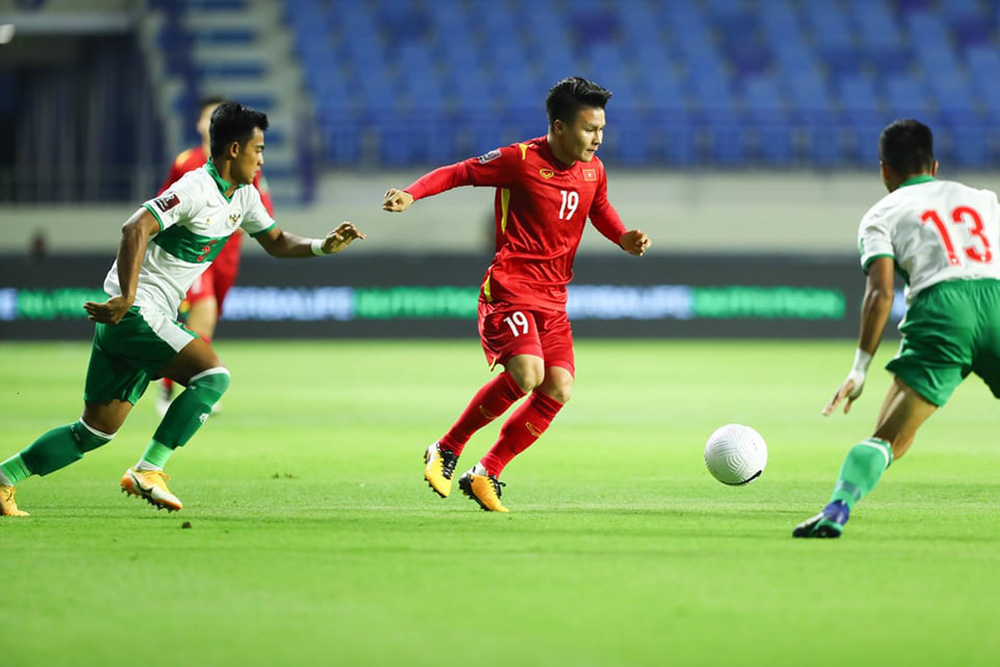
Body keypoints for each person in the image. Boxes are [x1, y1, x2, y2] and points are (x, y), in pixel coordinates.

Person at [0, 102, 365, 516]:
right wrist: (126, 296)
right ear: (233, 150)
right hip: (136, 310)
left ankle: (4, 478)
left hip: (134, 317)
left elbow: (277, 240)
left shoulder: (243, 196)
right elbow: (135, 226)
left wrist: (323, 245)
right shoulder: (195, 188)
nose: (262, 160)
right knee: (213, 377)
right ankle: (148, 469)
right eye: (257, 149)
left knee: (93, 432)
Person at [383, 76, 650, 512]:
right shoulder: (519, 160)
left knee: (558, 388)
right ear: (559, 127)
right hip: (510, 290)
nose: (598, 139)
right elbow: (459, 172)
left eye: (602, 129)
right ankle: (446, 448)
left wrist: (622, 237)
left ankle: (487, 471)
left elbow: (598, 209)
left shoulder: (593, 170)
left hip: (554, 299)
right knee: (527, 374)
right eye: (589, 129)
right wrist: (412, 194)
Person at [794, 119, 1000, 538]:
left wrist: (860, 368)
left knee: (888, 438)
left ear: (884, 169)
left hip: (943, 312)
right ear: (935, 165)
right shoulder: (984, 200)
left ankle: (838, 507)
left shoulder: (881, 214)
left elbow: (881, 294)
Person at [156, 96, 275, 416]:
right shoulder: (187, 163)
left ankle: (171, 381)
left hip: (228, 252)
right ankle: (198, 380)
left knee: (206, 321)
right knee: (203, 310)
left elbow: (259, 205)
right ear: (202, 125)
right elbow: (161, 206)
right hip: (197, 250)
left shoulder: (247, 165)